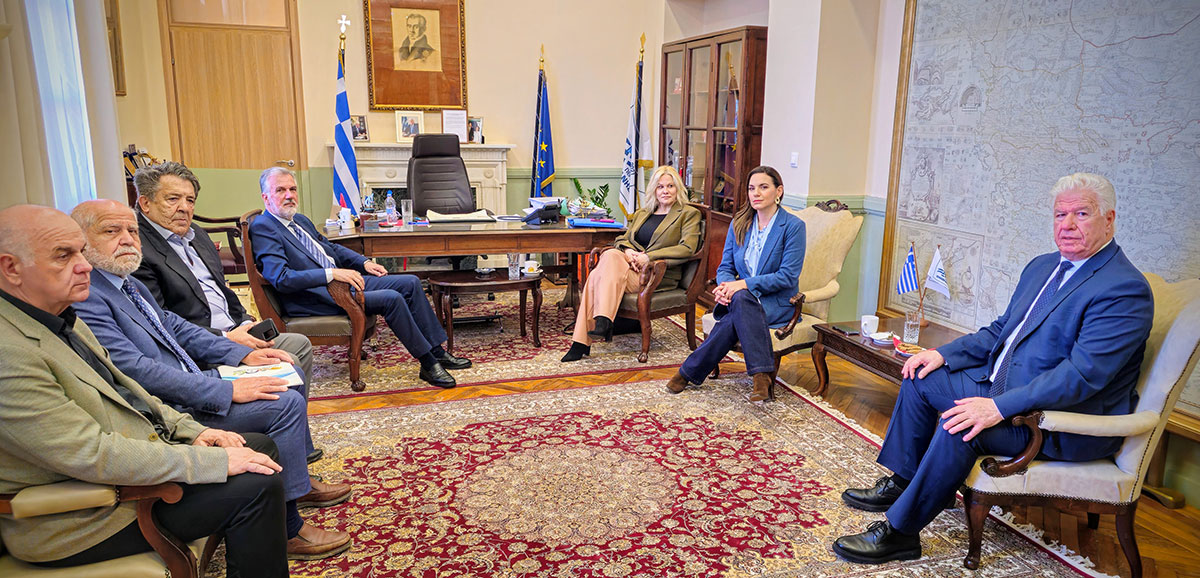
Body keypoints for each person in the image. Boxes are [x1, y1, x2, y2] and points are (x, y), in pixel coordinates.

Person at [832, 173, 1154, 565]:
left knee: (960, 424)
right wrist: (943, 355)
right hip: (1007, 389)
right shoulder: (1043, 266)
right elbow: (1003, 330)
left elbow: (1081, 377)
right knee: (920, 375)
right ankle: (905, 483)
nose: (1067, 225)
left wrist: (997, 408)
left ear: (1109, 219)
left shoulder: (1123, 289)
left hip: (1064, 422)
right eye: (1060, 215)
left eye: (1081, 214)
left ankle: (901, 534)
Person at [0, 205, 288, 576]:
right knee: (256, 485)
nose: (84, 265)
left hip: (127, 470)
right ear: (11, 268)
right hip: (82, 516)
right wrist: (210, 462)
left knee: (256, 448)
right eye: (63, 255)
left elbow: (128, 391)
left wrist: (192, 431)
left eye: (80, 251)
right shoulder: (10, 353)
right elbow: (90, 453)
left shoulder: (60, 315)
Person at [70, 200, 352, 561]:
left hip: (194, 375)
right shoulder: (89, 295)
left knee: (286, 372)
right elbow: (135, 371)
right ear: (81, 240)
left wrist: (240, 355)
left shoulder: (126, 281)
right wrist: (227, 388)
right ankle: (288, 528)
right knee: (284, 404)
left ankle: (296, 483)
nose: (127, 239)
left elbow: (175, 326)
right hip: (169, 406)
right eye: (112, 231)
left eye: (132, 231)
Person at [129, 161, 320, 461]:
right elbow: (161, 324)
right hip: (200, 347)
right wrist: (227, 338)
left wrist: (245, 322)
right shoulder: (138, 250)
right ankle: (284, 448)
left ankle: (294, 448)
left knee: (299, 345)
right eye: (173, 199)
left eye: (190, 200)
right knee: (289, 360)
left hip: (234, 330)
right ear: (145, 203)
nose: (184, 208)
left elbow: (224, 290)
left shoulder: (196, 235)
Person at [249, 167, 471, 388]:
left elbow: (331, 248)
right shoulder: (263, 227)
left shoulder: (299, 220)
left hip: (342, 283)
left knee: (411, 282)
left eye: (292, 189)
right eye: (280, 190)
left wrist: (363, 263)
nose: (289, 195)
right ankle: (428, 363)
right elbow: (281, 278)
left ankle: (437, 351)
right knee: (391, 299)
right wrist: (331, 273)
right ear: (265, 197)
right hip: (315, 296)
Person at [664, 165, 805, 402]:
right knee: (740, 300)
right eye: (751, 188)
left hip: (776, 303)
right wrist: (726, 287)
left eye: (763, 187)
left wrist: (741, 285)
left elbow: (787, 276)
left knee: (737, 307)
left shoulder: (793, 227)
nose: (756, 193)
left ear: (778, 191)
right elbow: (725, 268)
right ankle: (761, 376)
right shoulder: (740, 224)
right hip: (741, 300)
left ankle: (688, 372)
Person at [561, 165, 702, 362]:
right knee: (611, 255)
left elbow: (687, 248)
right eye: (660, 186)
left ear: (678, 188)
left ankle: (583, 340)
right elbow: (622, 239)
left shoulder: (688, 214)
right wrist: (628, 252)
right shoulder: (644, 213)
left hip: (655, 274)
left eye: (670, 186)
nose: (665, 191)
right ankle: (601, 322)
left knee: (595, 276)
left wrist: (649, 257)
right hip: (631, 267)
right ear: (654, 190)